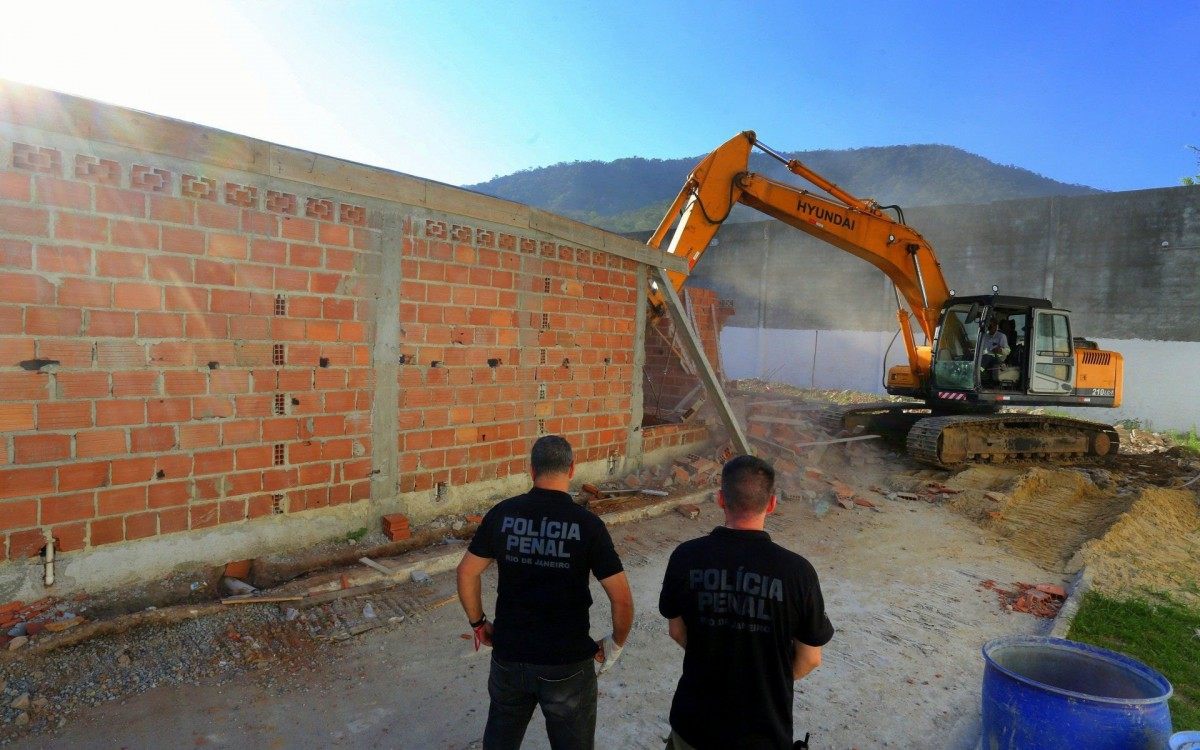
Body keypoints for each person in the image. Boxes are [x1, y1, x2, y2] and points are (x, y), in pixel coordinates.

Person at [457, 435, 634, 750]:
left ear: (531, 470)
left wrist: (478, 623)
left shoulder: (502, 514)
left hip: (509, 656)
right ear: (572, 469)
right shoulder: (588, 525)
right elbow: (621, 598)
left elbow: (467, 571)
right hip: (566, 665)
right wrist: (616, 643)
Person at [658, 454, 834, 750]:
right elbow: (811, 658)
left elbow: (677, 631)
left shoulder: (686, 557)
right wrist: (762, 675)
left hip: (694, 727)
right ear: (772, 503)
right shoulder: (797, 572)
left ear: (719, 499)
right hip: (762, 734)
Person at [979, 317, 1011, 384]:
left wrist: (1000, 350)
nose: (989, 328)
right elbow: (982, 350)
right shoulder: (985, 336)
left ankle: (978, 373)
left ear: (996, 326)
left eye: (991, 326)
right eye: (988, 326)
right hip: (986, 357)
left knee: (986, 357)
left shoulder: (1001, 336)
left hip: (998, 359)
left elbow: (1008, 351)